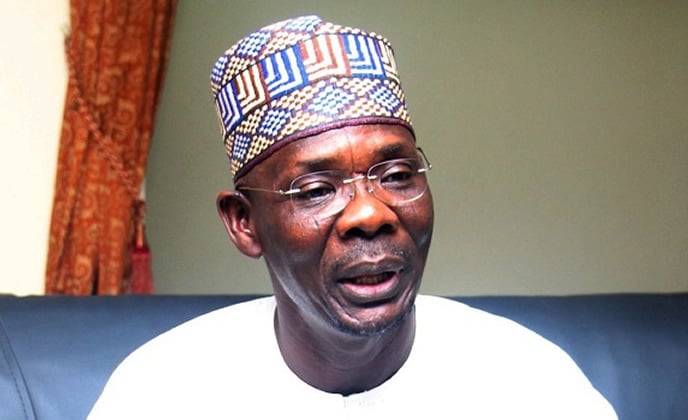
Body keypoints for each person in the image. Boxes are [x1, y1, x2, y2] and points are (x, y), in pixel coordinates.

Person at [89, 15, 617, 419]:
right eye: (316, 190)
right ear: (244, 222)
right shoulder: (159, 393)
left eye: (397, 175)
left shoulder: (534, 386)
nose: (369, 212)